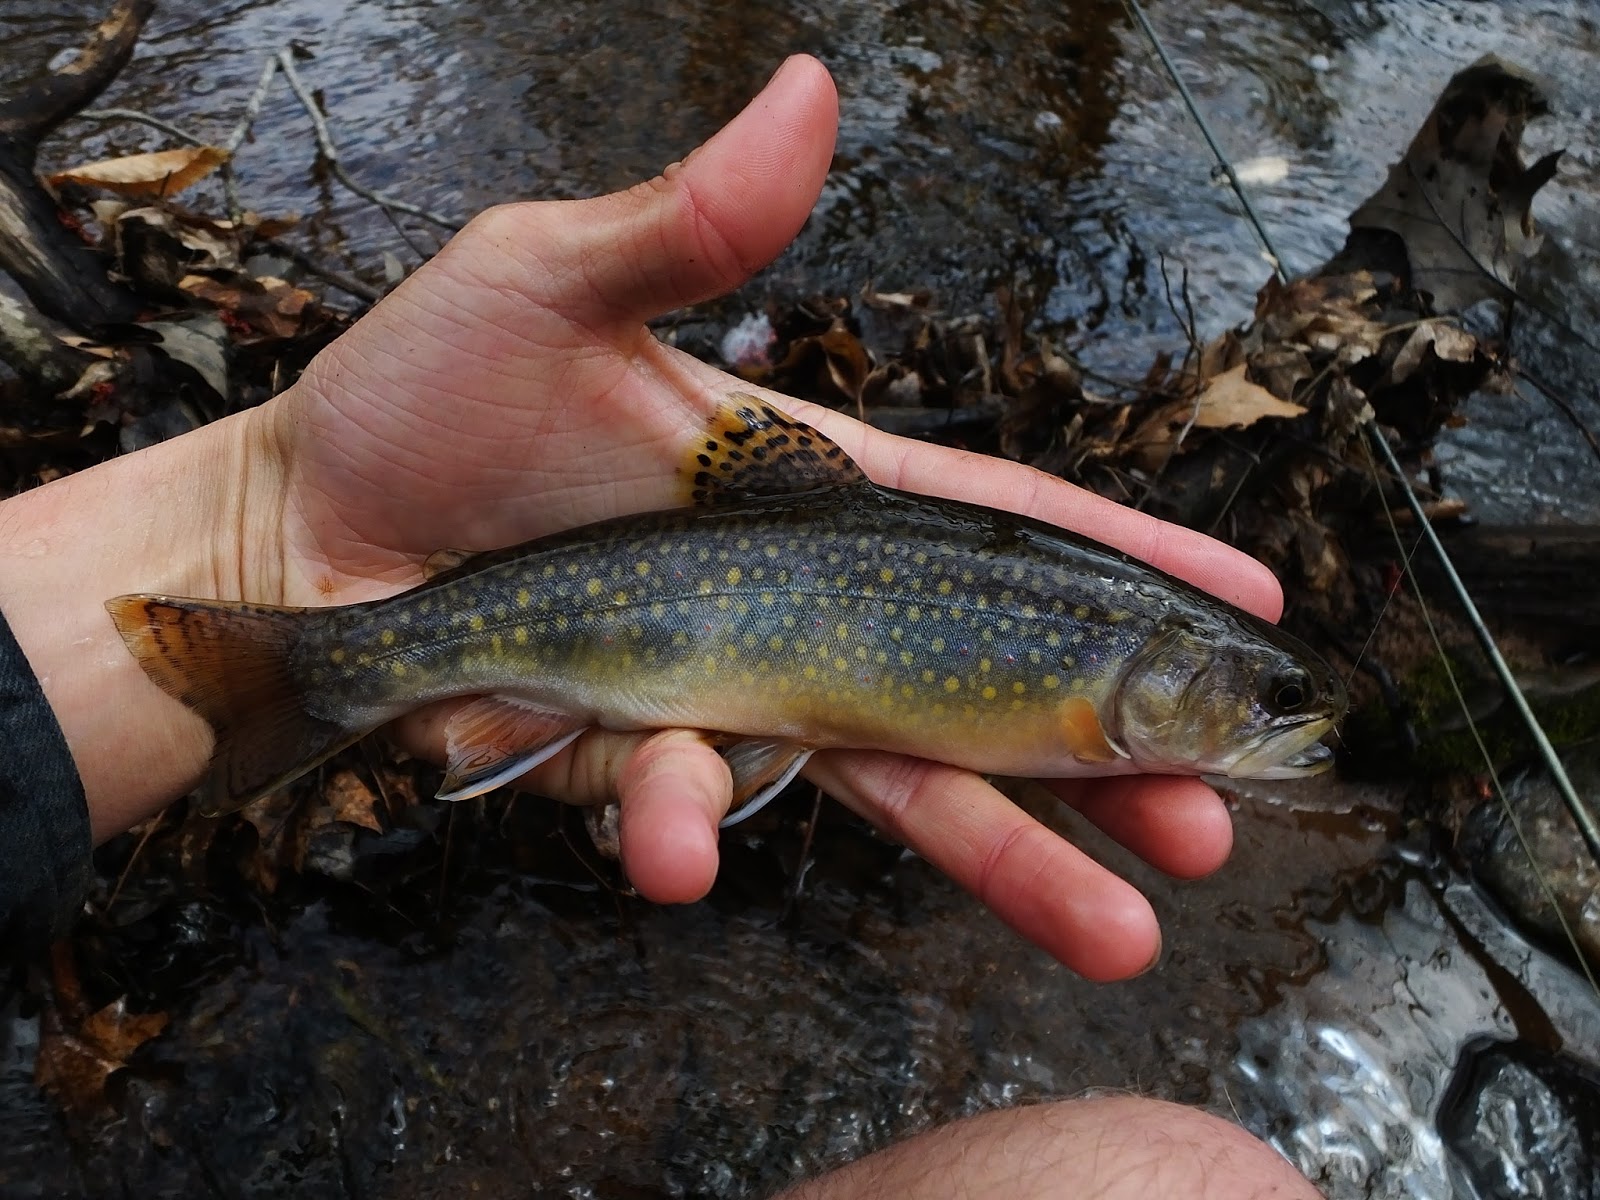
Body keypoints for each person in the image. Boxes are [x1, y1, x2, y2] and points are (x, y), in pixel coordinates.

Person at [0, 55, 1319, 1198]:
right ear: (1174, 676)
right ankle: (296, 683)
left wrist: (259, 506)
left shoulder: (1105, 643)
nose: (1283, 729)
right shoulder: (1095, 684)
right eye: (1262, 701)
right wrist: (275, 501)